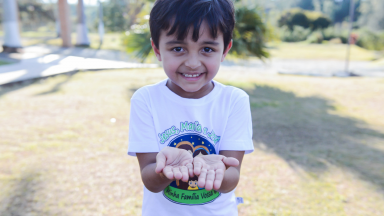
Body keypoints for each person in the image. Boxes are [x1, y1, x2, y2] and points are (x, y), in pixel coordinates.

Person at [127, 0, 254, 215]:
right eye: (178, 48)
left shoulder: (234, 100)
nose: (193, 62)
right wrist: (165, 171)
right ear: (157, 49)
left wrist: (219, 170)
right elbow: (150, 179)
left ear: (225, 50)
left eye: (207, 49)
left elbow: (232, 178)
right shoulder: (146, 100)